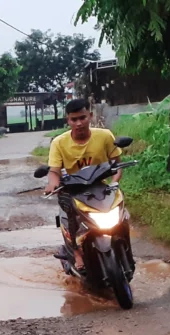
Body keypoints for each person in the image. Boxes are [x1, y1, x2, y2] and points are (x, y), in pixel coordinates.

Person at [43, 98, 122, 271]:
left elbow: (117, 165)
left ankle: (123, 242)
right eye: (74, 119)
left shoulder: (105, 136)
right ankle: (77, 252)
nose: (79, 123)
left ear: (90, 116)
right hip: (72, 188)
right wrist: (53, 184)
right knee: (68, 211)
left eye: (82, 118)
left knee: (120, 207)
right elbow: (54, 171)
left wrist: (114, 183)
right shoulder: (59, 143)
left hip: (99, 185)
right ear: (68, 121)